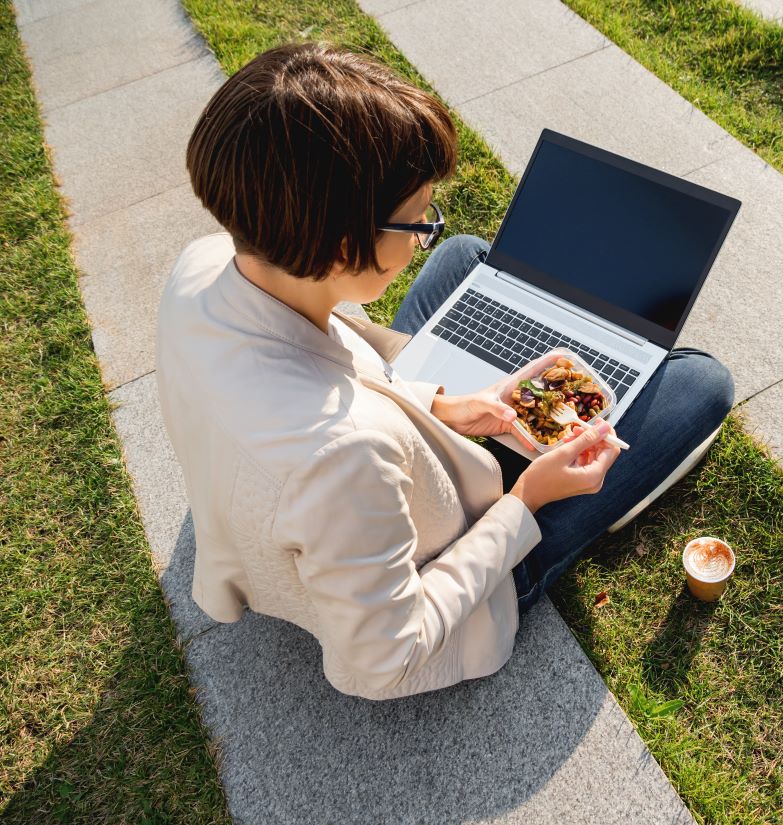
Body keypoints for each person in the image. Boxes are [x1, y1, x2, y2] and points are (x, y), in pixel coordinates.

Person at [157, 42, 734, 701]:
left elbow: (340, 359)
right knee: (701, 383)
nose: (426, 228)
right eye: (417, 218)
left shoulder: (205, 263)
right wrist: (527, 501)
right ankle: (573, 505)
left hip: (357, 481)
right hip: (461, 563)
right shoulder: (342, 457)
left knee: (466, 256)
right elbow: (383, 658)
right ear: (346, 245)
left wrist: (446, 404)